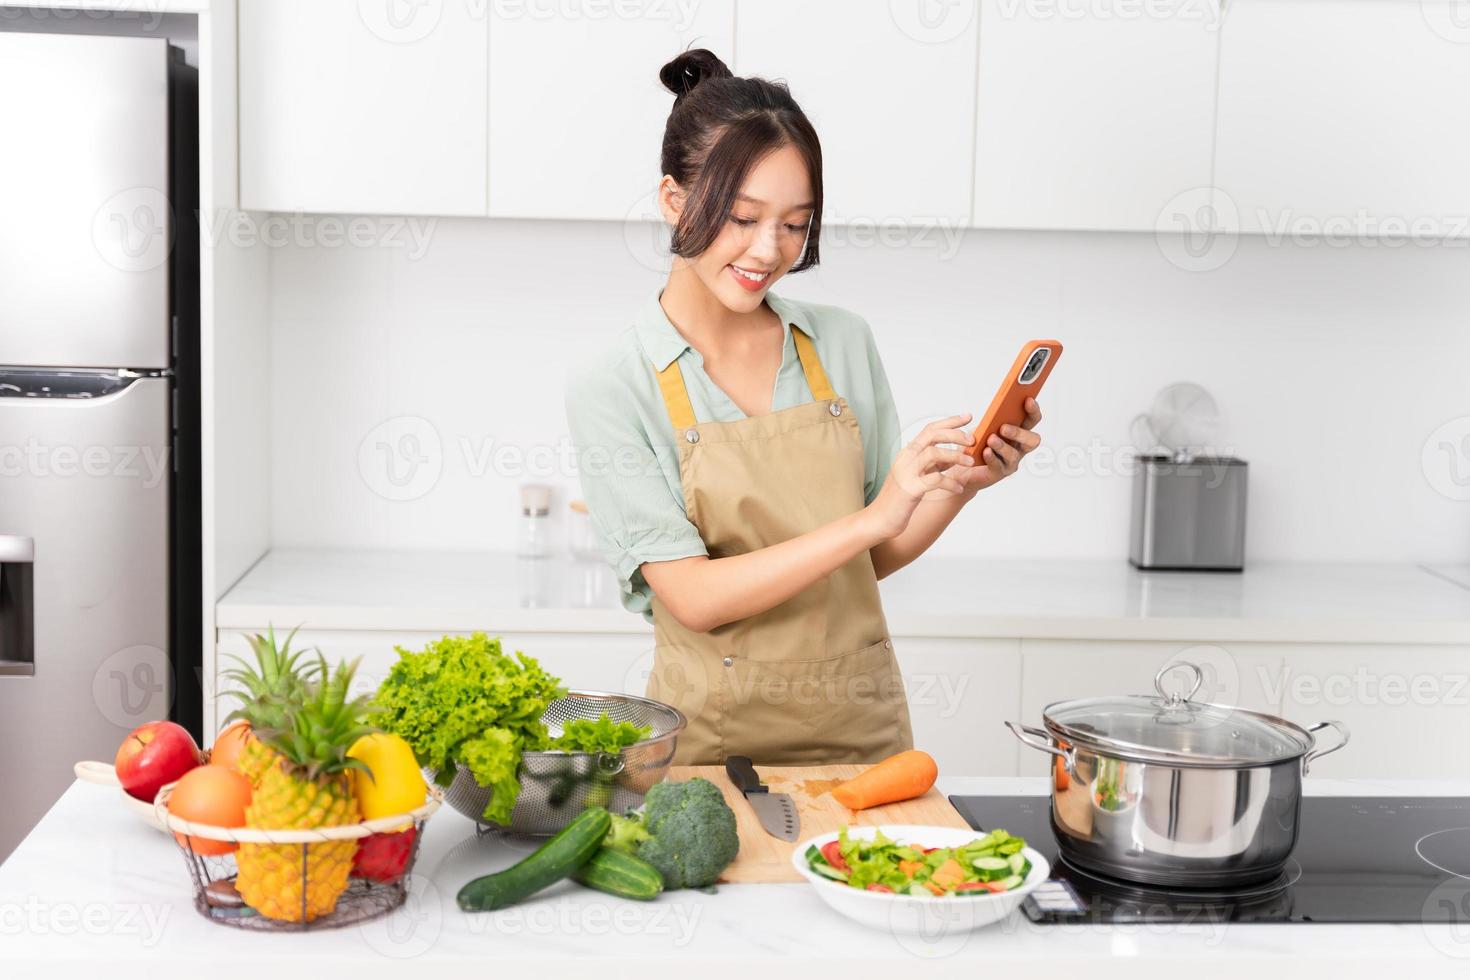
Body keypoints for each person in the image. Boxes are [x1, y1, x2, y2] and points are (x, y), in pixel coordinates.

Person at [566, 49, 1043, 766]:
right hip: (711, 755)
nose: (770, 250)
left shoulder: (842, 342)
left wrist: (959, 487)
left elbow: (871, 556)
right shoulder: (615, 385)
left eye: (796, 223)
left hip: (866, 742)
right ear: (673, 201)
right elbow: (691, 596)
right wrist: (875, 515)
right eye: (742, 217)